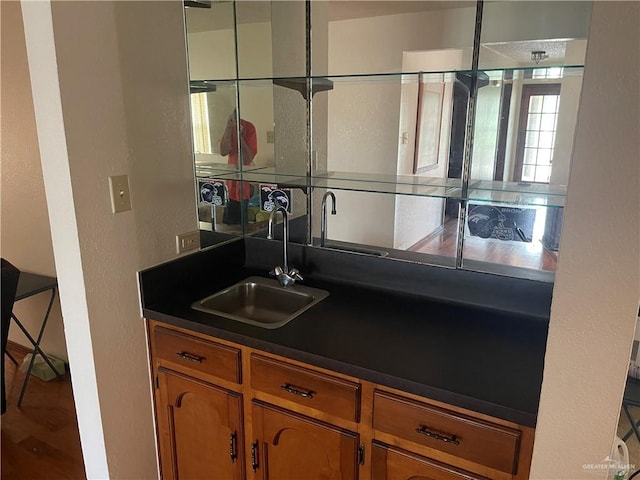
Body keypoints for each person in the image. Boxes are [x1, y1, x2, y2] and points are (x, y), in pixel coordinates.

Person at [219, 109, 257, 225]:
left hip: (242, 184)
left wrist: (240, 137)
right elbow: (223, 151)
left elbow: (248, 158)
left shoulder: (249, 128)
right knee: (228, 223)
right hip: (229, 184)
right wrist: (228, 127)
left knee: (241, 224)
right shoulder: (229, 128)